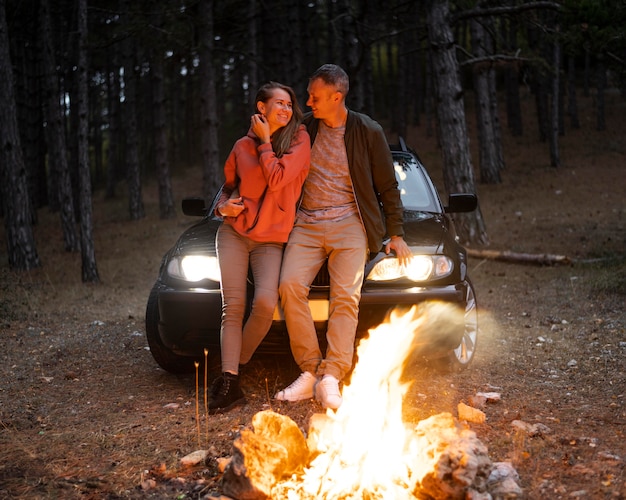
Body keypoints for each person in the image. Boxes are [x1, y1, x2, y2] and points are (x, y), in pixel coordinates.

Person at [274, 64, 412, 410]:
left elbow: (386, 186)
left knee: (345, 297)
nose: (308, 102)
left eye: (315, 97)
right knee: (289, 286)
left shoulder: (367, 130)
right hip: (305, 223)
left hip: (350, 222)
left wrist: (396, 232)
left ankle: (332, 375)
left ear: (337, 97)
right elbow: (273, 167)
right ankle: (309, 373)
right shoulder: (305, 128)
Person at [209, 82, 310, 413]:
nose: (285, 109)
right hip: (234, 233)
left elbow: (278, 179)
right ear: (261, 108)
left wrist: (266, 141)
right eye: (278, 103)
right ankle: (230, 381)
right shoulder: (241, 146)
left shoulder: (299, 141)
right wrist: (223, 208)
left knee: (266, 303)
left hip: (270, 240)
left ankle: (233, 365)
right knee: (233, 307)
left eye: (289, 104)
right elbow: (226, 188)